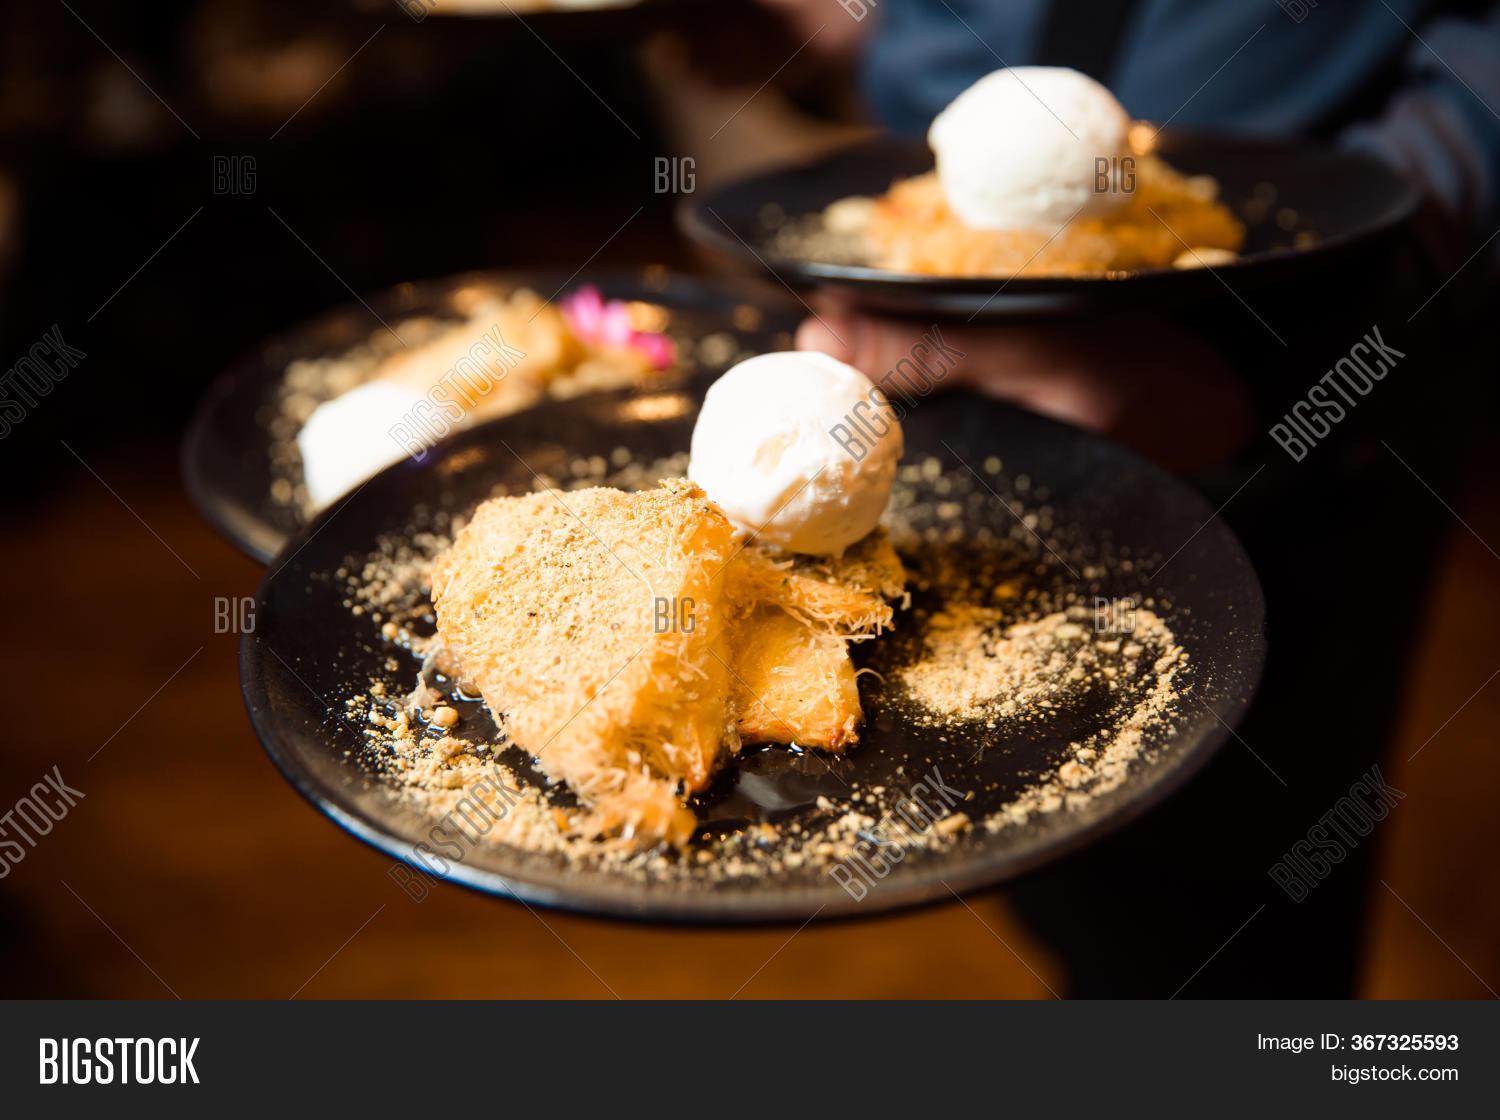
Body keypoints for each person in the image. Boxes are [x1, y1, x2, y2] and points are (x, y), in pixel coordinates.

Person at [737, 0, 1500, 994]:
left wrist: (1301, 350)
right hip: (934, 351)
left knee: (1215, 923)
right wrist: (860, 29)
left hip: (1293, 385)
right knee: (1013, 815)